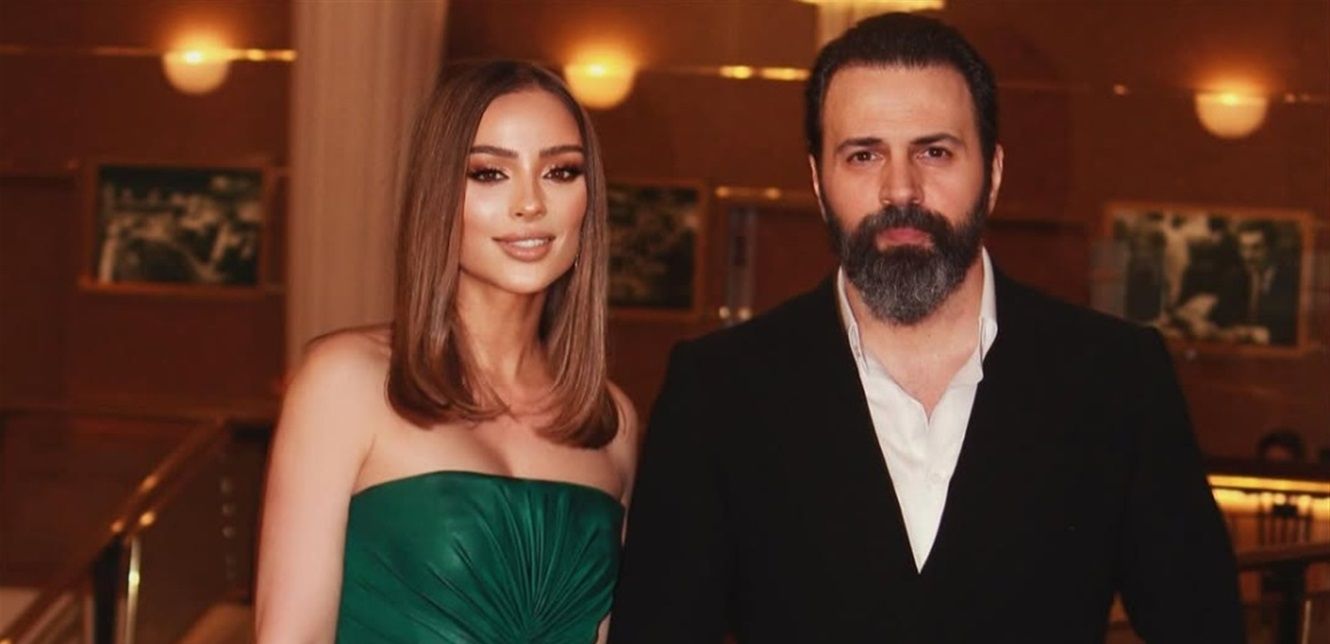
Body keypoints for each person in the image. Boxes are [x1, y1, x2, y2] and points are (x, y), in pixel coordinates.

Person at [609, 13, 1241, 643]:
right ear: (819, 182)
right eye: (863, 155)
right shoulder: (718, 388)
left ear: (992, 173)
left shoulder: (1117, 377)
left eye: (934, 152)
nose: (901, 190)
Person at [256, 60, 638, 643]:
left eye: (561, 171)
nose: (530, 203)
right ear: (437, 195)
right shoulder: (347, 382)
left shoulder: (612, 424)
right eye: (490, 173)